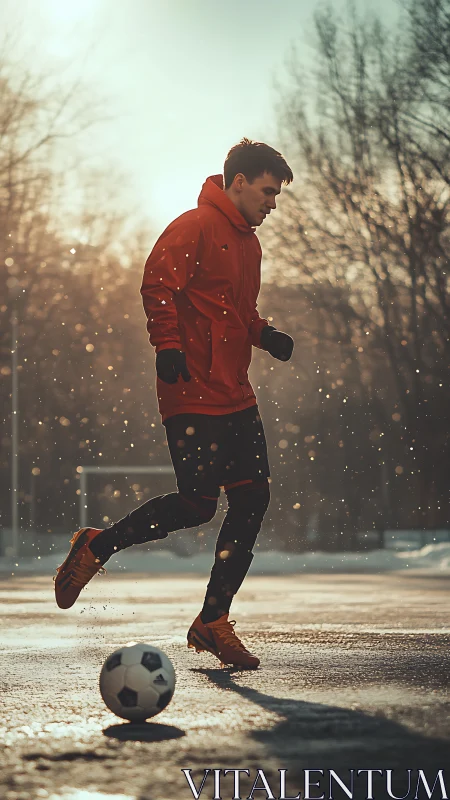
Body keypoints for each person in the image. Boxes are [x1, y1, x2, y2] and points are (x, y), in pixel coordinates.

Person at [54, 138, 294, 669]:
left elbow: (235, 310)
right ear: (237, 182)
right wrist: (167, 345)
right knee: (197, 504)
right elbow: (157, 285)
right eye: (268, 191)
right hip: (190, 389)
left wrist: (265, 334)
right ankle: (97, 545)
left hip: (236, 391)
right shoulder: (193, 226)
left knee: (253, 499)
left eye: (276, 195)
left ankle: (212, 620)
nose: (273, 203)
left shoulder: (250, 245)